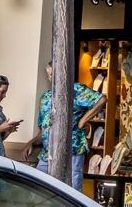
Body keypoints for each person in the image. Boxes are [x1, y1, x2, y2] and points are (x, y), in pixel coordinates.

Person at [31, 56, 105, 188]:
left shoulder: (75, 90)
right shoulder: (46, 97)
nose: (50, 78)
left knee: (72, 188)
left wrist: (83, 120)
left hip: (73, 148)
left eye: (53, 74)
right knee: (37, 185)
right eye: (48, 75)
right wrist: (31, 143)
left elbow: (101, 100)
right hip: (48, 152)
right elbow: (43, 127)